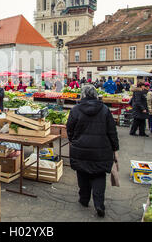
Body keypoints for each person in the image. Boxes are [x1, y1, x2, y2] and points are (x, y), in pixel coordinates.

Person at [66, 85, 119, 218]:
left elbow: (69, 129)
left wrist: (73, 140)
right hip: (101, 150)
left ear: (82, 95)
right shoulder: (105, 110)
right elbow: (112, 131)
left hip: (81, 149)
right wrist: (115, 148)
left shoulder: (76, 110)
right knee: (99, 176)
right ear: (96, 95)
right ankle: (99, 204)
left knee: (82, 174)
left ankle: (84, 200)